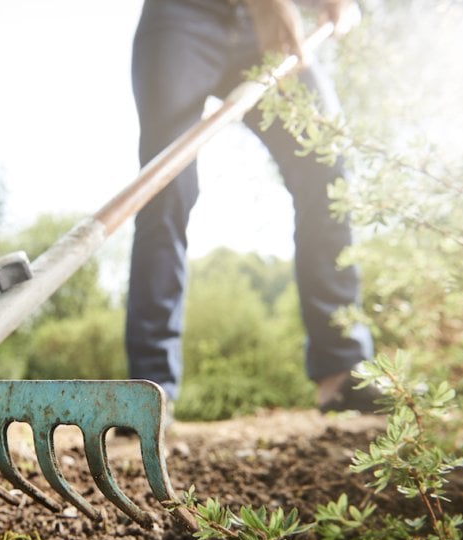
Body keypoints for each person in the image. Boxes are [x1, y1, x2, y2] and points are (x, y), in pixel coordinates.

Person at [125, 0, 378, 414]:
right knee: (166, 188)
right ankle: (150, 391)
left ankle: (342, 368)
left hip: (259, 26)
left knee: (326, 167)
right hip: (182, 17)